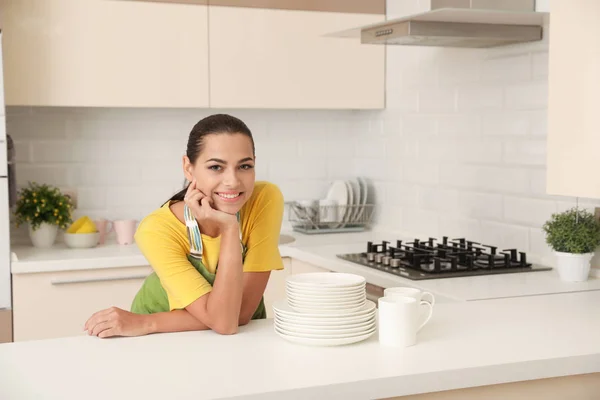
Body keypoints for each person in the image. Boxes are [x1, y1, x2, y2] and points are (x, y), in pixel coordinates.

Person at [84, 114, 284, 337]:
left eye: (245, 166)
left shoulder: (264, 199)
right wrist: (149, 325)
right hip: (161, 339)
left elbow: (239, 315)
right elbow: (226, 322)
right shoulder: (156, 230)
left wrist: (149, 323)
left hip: (222, 336)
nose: (233, 181)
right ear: (189, 168)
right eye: (216, 167)